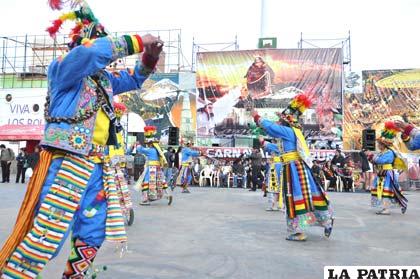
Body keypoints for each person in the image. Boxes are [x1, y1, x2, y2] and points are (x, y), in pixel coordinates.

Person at [0, 2, 163, 277]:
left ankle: (74, 275)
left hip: (97, 164)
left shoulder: (104, 81)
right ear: (80, 44)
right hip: (66, 161)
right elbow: (91, 54)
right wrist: (136, 41)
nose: (105, 57)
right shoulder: (64, 69)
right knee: (48, 232)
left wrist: (149, 57)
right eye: (100, 46)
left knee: (93, 230)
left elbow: (135, 79)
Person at [251, 93, 333, 241]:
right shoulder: (292, 133)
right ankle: (325, 221)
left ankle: (295, 230)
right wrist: (263, 141)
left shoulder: (288, 131)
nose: (279, 121)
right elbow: (275, 142)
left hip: (293, 169)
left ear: (286, 121)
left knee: (293, 198)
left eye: (281, 119)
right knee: (308, 195)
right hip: (296, 167)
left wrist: (256, 116)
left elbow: (270, 127)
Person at [370, 121, 408, 215]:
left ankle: (390, 207)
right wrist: (369, 157)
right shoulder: (382, 153)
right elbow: (376, 161)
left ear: (384, 145)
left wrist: (372, 157)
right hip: (382, 173)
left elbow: (381, 161)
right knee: (384, 191)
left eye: (380, 144)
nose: (378, 145)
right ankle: (387, 207)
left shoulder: (389, 153)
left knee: (388, 191)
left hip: (387, 174)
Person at [135, 126, 172, 206]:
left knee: (146, 181)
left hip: (151, 168)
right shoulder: (157, 150)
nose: (147, 145)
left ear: (150, 144)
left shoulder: (150, 150)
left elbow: (140, 149)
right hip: (158, 167)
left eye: (148, 143)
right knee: (162, 180)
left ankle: (145, 199)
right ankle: (168, 193)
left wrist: (137, 145)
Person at [261, 137, 283, 211]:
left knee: (276, 187)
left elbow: (265, 143)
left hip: (277, 167)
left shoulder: (277, 146)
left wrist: (262, 140)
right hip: (277, 167)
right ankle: (275, 205)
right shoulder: (278, 147)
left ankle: (278, 205)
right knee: (276, 188)